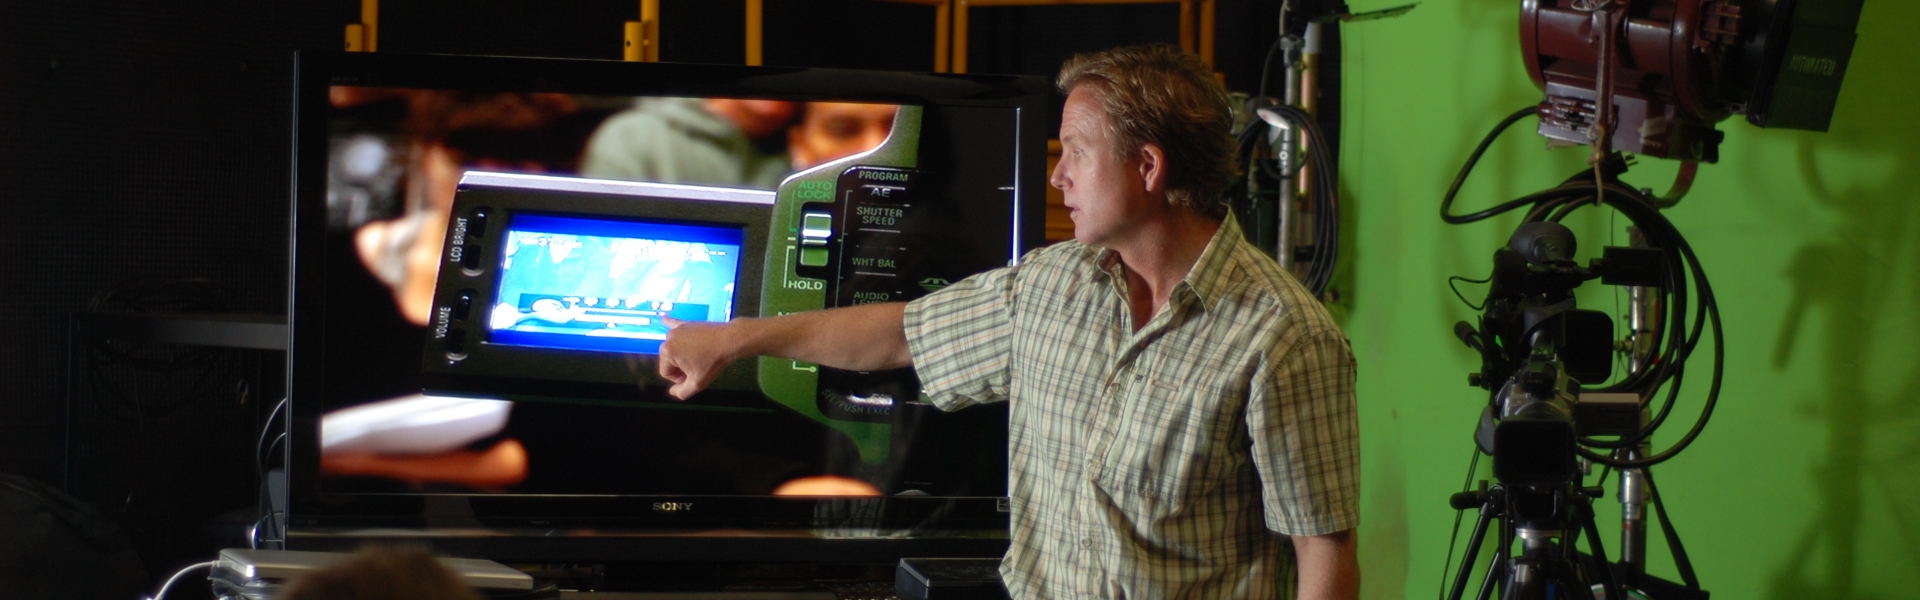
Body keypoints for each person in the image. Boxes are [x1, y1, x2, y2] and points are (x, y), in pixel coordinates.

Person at [657, 44, 1359, 599]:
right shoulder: (1051, 286)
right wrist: (736, 337)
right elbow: (900, 334)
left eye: (1077, 152)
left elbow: (1323, 558)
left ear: (1147, 166)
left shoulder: (1284, 337)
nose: (1059, 178)